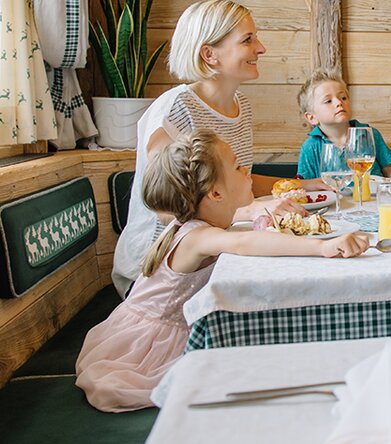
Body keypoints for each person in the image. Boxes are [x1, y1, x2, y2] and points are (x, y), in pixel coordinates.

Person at [77, 130, 369, 412]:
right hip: (149, 344)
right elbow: (243, 242)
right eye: (238, 167)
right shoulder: (196, 235)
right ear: (216, 192)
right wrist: (323, 248)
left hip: (157, 326)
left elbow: (250, 224)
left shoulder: (206, 221)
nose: (246, 172)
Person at [111, 0, 307, 297]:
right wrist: (249, 210)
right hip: (159, 271)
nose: (261, 48)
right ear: (209, 54)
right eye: (248, 40)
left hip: (212, 258)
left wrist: (305, 184)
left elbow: (238, 182)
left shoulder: (242, 107)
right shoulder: (176, 108)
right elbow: (167, 208)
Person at [296, 69, 391, 180]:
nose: (339, 103)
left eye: (343, 98)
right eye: (328, 101)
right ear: (312, 117)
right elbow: (306, 186)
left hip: (373, 197)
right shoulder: (310, 147)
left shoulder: (370, 134)